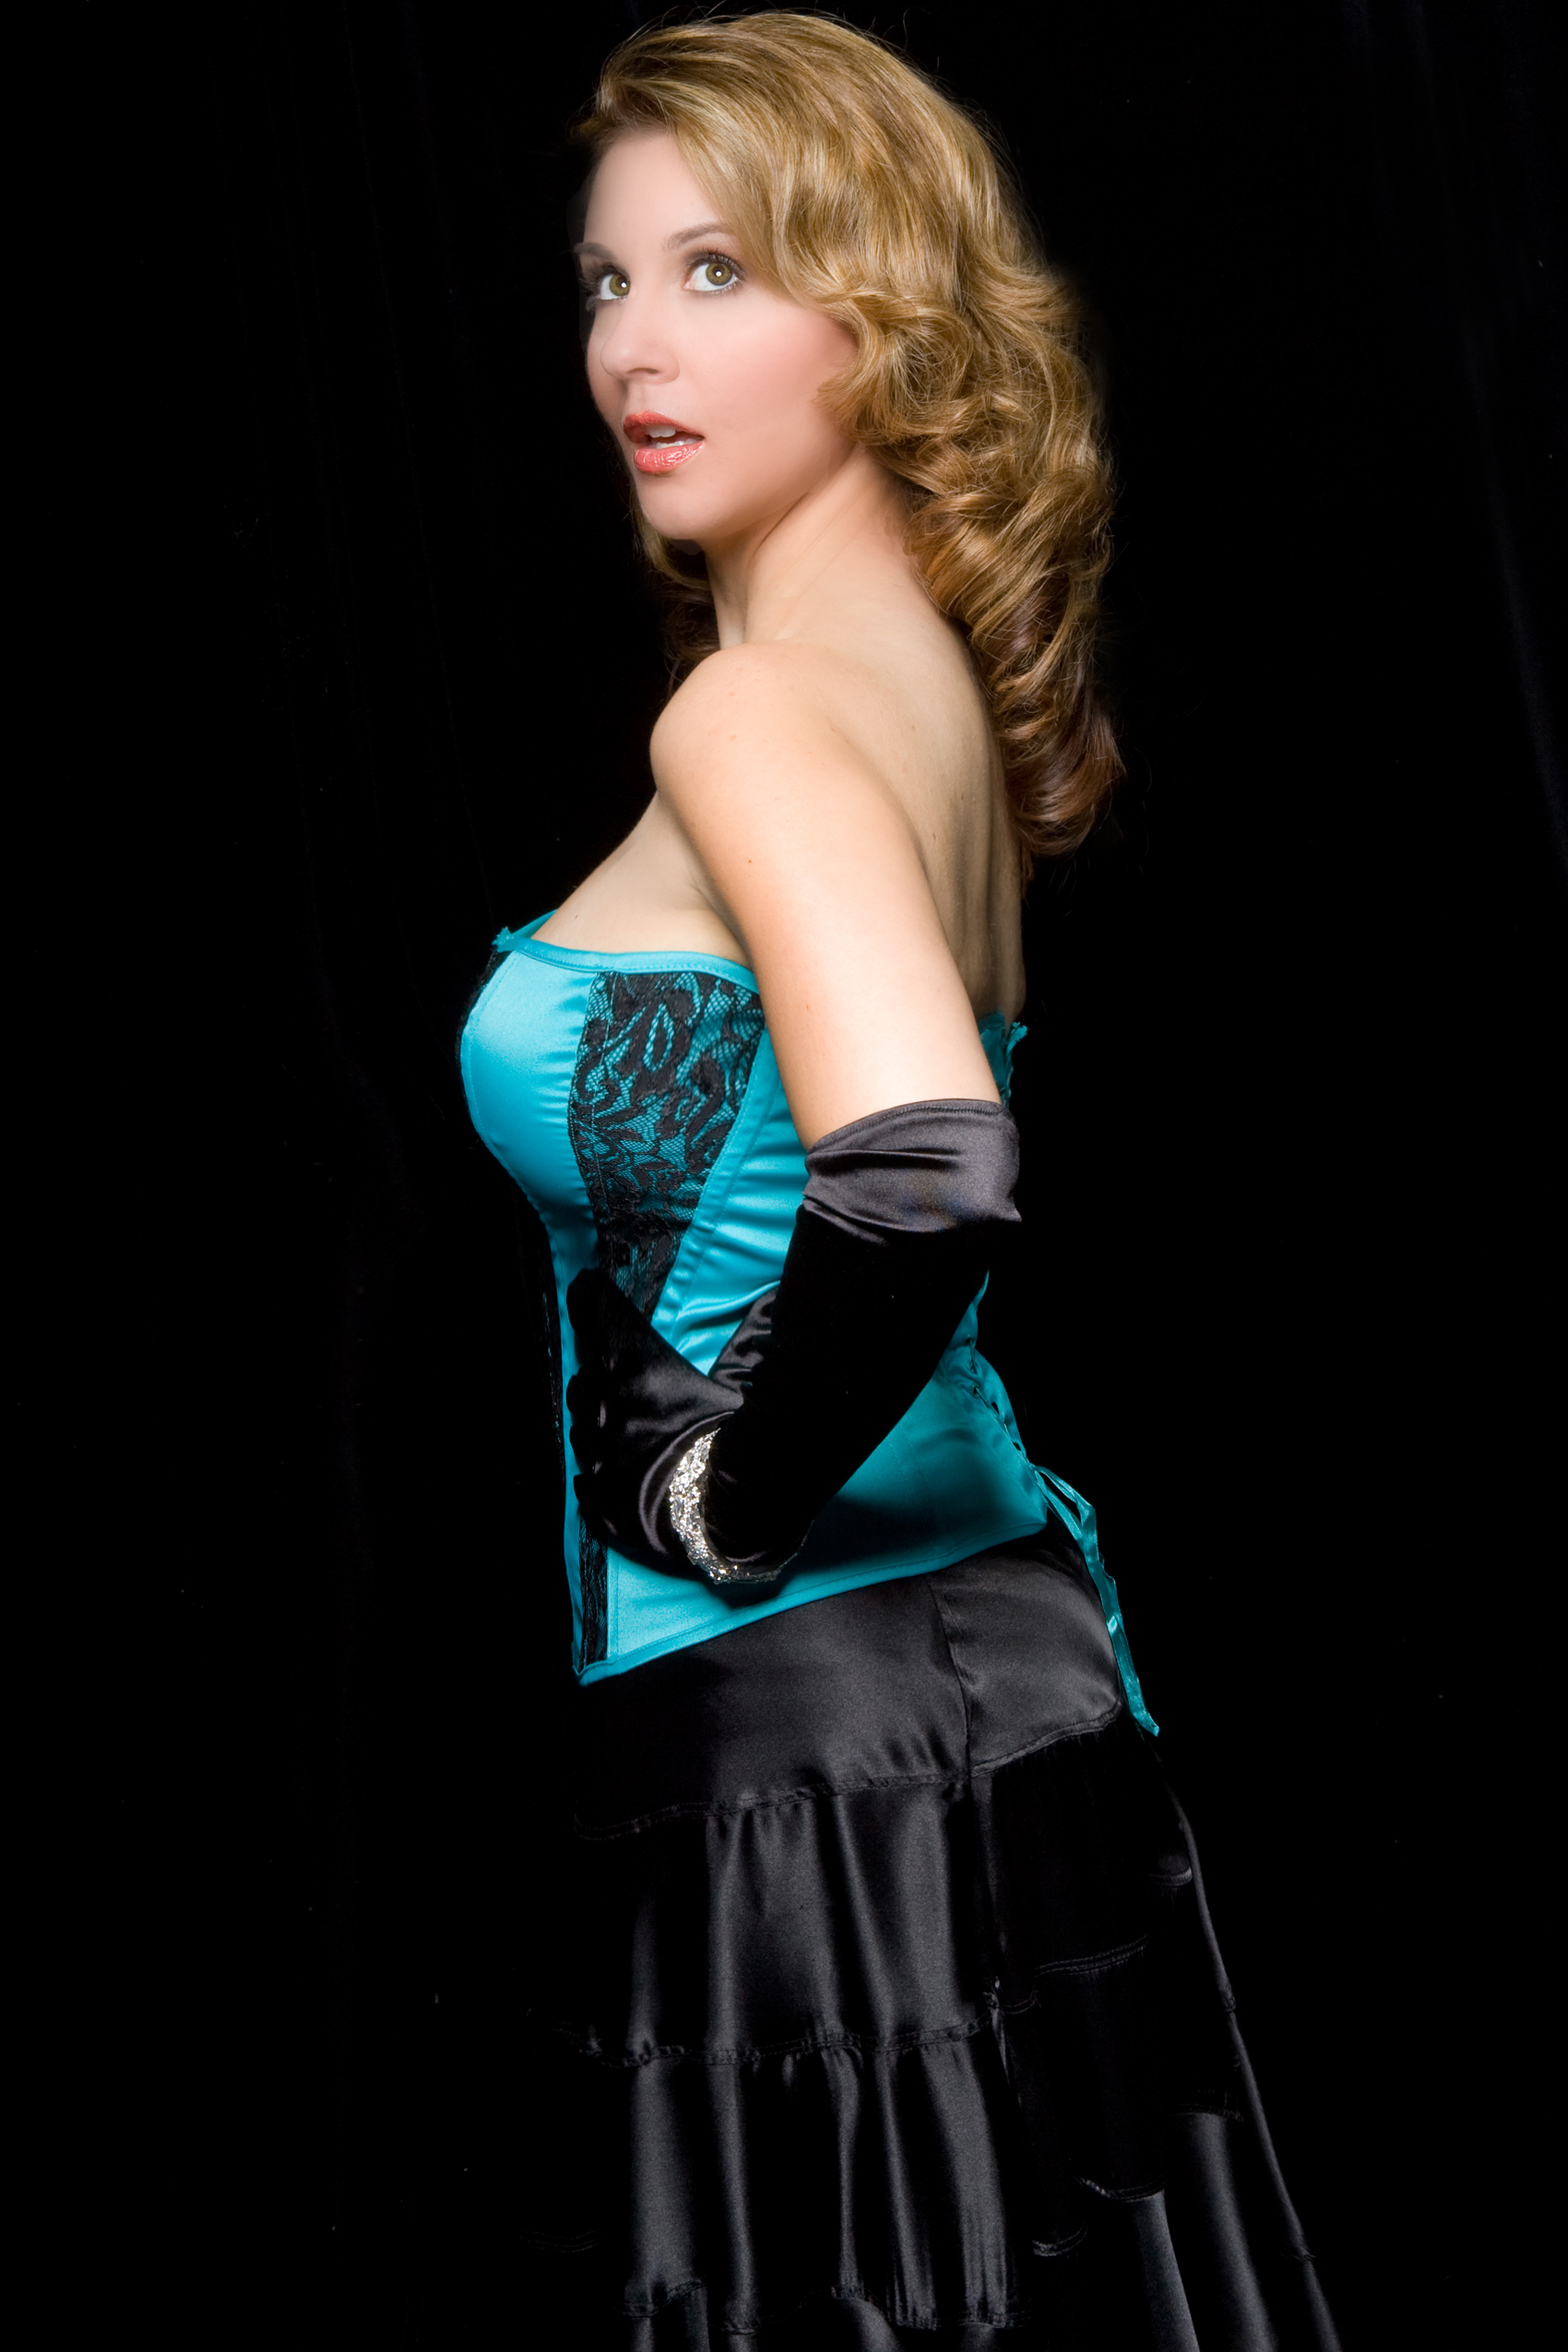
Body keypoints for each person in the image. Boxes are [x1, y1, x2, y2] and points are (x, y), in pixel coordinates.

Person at [460, 17, 1339, 2347]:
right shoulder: (911, 681)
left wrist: (725, 1498)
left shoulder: (755, 710)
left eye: (718, 270)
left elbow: (928, 1170)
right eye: (605, 280)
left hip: (819, 1734)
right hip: (967, 1680)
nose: (632, 347)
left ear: (881, 310)